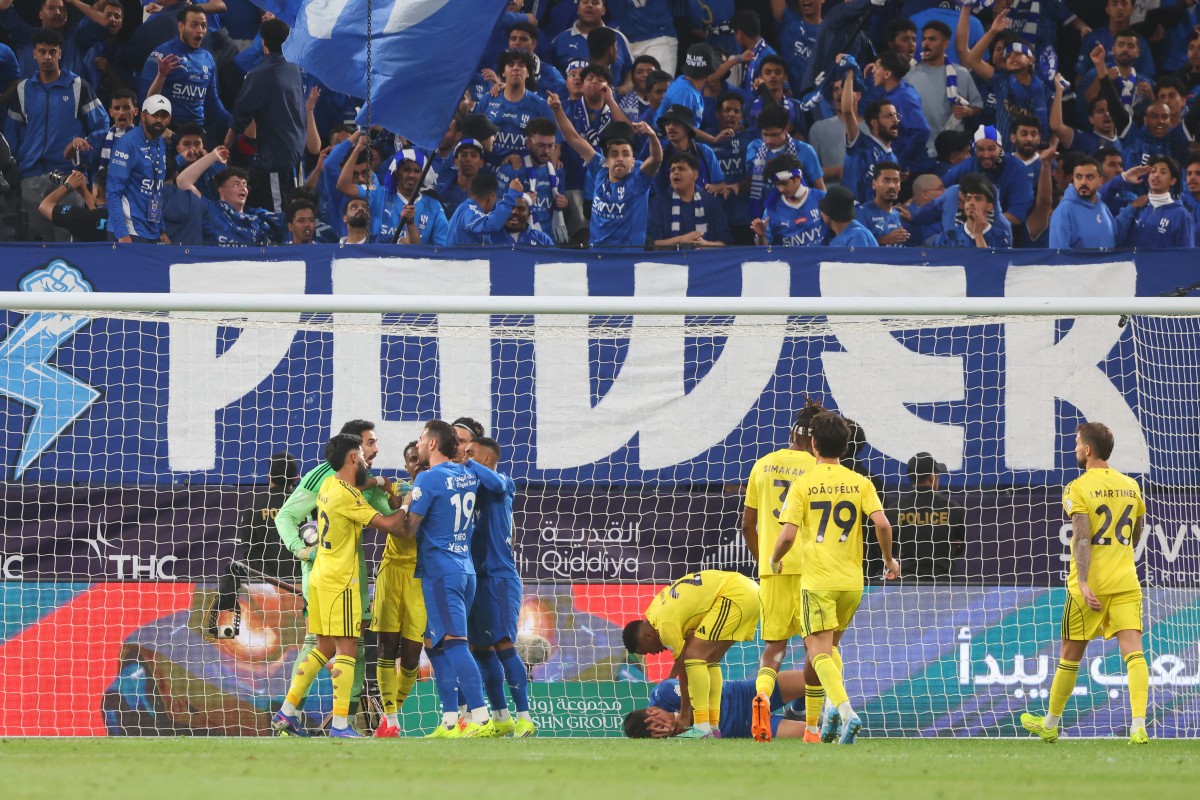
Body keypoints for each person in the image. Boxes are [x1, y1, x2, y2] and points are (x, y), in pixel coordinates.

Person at [770, 411, 898, 745]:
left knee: (817, 650)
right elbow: (882, 524)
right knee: (828, 650)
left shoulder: (804, 483)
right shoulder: (861, 482)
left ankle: (844, 712)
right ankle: (817, 726)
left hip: (818, 581)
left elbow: (786, 536)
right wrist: (888, 559)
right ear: (844, 446)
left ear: (813, 444)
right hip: (852, 583)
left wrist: (774, 559)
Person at [271, 433, 411, 738]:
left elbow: (362, 483)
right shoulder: (348, 497)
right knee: (348, 649)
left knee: (322, 646)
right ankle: (339, 725)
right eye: (362, 454)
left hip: (319, 576)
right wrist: (407, 502)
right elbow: (391, 526)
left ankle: (286, 711)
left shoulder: (329, 484)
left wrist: (382, 483)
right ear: (352, 458)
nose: (365, 460)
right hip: (341, 581)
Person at [1021, 422, 1150, 746]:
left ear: (1088, 450)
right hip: (1125, 582)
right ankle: (1138, 726)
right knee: (1134, 654)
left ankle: (1050, 724)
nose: (1075, 448)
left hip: (1088, 587)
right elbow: (1136, 531)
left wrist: (1085, 582)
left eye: (1077, 443)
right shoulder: (1131, 486)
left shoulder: (1078, 487)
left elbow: (1081, 537)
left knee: (1069, 654)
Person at [398, 419, 496, 739]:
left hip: (441, 572)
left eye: (422, 437)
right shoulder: (466, 474)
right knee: (436, 645)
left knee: (454, 645)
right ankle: (450, 721)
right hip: (464, 570)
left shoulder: (428, 477)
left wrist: (403, 502)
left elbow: (408, 529)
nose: (418, 442)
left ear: (432, 444)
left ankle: (482, 719)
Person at [743, 399, 823, 743]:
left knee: (774, 649)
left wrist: (765, 560)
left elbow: (747, 524)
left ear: (792, 432)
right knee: (816, 648)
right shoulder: (819, 468)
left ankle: (762, 699)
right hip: (811, 571)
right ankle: (811, 722)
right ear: (817, 437)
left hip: (772, 571)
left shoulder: (763, 465)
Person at [622, 570, 761, 738]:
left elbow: (685, 664)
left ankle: (702, 727)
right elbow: (683, 654)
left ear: (647, 636)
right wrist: (671, 676)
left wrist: (685, 714)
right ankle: (712, 726)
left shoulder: (665, 627)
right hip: (746, 591)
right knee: (709, 660)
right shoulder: (656, 612)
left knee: (694, 657)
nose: (654, 653)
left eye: (647, 651)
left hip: (735, 595)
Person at [6, 29, 109, 242]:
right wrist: (15, 167)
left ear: (60, 54)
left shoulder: (78, 86)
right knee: (35, 243)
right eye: (42, 52)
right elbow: (10, 135)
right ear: (34, 54)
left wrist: (84, 146)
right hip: (30, 177)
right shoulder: (23, 89)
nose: (47, 57)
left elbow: (103, 126)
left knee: (68, 243)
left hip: (68, 177)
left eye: (52, 52)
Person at [463, 436, 535, 737]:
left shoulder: (504, 483)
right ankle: (501, 716)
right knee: (480, 649)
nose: (465, 457)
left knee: (504, 644)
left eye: (471, 453)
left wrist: (463, 462)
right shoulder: (468, 490)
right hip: (475, 577)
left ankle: (525, 717)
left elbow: (493, 484)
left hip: (499, 577)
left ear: (488, 460)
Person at [549, 97, 662, 248]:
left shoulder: (638, 176)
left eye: (625, 154)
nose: (620, 159)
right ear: (607, 160)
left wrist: (652, 135)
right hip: (598, 256)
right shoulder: (600, 168)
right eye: (614, 154)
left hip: (628, 258)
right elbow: (573, 138)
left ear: (633, 160)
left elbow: (655, 159)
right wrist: (557, 109)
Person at [224, 17, 306, 214]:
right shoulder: (295, 69)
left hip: (277, 160)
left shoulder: (260, 74)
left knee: (281, 217)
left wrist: (224, 147)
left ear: (263, 41)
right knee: (293, 210)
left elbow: (240, 116)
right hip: (296, 156)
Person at [624, 669, 812, 740]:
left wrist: (681, 717)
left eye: (658, 722)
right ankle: (798, 720)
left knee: (813, 679)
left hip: (745, 693)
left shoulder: (663, 692)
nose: (665, 727)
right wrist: (676, 732)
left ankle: (796, 711)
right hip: (748, 726)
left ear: (651, 710)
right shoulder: (672, 741)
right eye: (659, 731)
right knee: (810, 733)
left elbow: (700, 693)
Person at [139, 6, 230, 132]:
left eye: (203, 26)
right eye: (194, 25)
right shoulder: (162, 53)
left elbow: (213, 102)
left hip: (197, 130)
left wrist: (235, 124)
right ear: (181, 26)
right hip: (169, 129)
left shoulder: (207, 58)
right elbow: (145, 97)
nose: (200, 31)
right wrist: (162, 130)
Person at [905, 20, 983, 161]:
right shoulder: (909, 74)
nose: (925, 44)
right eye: (924, 39)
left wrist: (968, 111)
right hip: (919, 151)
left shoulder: (962, 74)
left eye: (932, 39)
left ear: (945, 43)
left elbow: (978, 105)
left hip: (952, 152)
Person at [178, 147, 282, 245]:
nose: (243, 188)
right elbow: (183, 181)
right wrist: (212, 156)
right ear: (221, 190)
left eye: (244, 185)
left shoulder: (257, 220)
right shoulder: (210, 210)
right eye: (236, 184)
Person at [887, 452, 965, 583]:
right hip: (944, 581)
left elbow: (890, 547)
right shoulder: (953, 508)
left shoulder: (895, 509)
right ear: (931, 477)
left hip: (907, 581)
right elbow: (959, 547)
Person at [107, 94, 171, 243]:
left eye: (164, 116)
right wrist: (121, 233)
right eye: (154, 115)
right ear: (143, 116)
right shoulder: (126, 144)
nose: (159, 120)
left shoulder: (160, 142)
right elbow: (113, 192)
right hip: (128, 230)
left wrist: (161, 229)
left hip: (151, 230)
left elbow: (156, 190)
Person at [497, 118, 567, 243]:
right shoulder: (512, 169)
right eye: (541, 145)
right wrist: (520, 200)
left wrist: (564, 202)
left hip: (548, 239)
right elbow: (495, 205)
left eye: (550, 146)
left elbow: (559, 202)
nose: (546, 151)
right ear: (528, 143)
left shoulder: (558, 171)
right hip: (516, 240)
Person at [479, 49, 555, 161]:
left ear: (528, 72)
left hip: (523, 171)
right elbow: (475, 135)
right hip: (488, 169)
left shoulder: (540, 105)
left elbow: (553, 143)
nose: (515, 68)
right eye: (510, 64)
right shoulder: (487, 99)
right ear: (503, 72)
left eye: (521, 65)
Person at [840, 65, 898, 204]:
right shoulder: (860, 143)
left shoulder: (893, 158)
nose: (895, 120)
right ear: (875, 123)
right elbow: (847, 111)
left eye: (896, 115)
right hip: (854, 219)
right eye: (889, 116)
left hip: (878, 221)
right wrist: (850, 73)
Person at [646, 151, 730, 248]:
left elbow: (725, 243)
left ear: (695, 175)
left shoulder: (710, 202)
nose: (675, 173)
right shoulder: (658, 202)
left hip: (706, 260)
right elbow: (652, 244)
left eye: (681, 169)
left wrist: (705, 245)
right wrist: (682, 240)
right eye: (672, 170)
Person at [240, 451, 299, 582]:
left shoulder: (253, 507)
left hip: (266, 588)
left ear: (269, 477)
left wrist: (270, 580)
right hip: (302, 583)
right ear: (296, 478)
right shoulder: (307, 506)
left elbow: (250, 552)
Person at [1114, 155, 1194, 248]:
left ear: (1172, 181)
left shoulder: (1180, 214)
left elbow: (1186, 254)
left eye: (1163, 172)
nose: (1156, 175)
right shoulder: (1134, 207)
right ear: (1148, 178)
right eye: (1153, 171)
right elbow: (1116, 237)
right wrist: (1130, 208)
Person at [750, 153, 827, 247]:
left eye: (784, 183)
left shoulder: (822, 198)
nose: (780, 189)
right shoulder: (771, 211)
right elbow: (764, 250)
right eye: (777, 184)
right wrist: (761, 236)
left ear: (798, 178)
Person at [1048, 157, 1118, 250]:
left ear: (1100, 181)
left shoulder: (1103, 207)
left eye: (1089, 177)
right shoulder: (1064, 211)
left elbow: (1115, 238)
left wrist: (1131, 209)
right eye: (1079, 177)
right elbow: (1058, 256)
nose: (1083, 182)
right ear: (1073, 179)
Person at [931, 173, 1012, 248]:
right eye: (968, 199)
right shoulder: (947, 237)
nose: (971, 203)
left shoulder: (1001, 237)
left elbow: (988, 262)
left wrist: (978, 234)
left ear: (989, 206)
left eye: (978, 199)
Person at [446, 172, 524, 246]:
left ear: (469, 193)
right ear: (491, 197)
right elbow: (491, 224)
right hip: (460, 259)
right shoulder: (468, 211)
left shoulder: (464, 209)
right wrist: (512, 195)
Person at [37, 169, 107, 241]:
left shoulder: (81, 216)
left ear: (97, 192)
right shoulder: (116, 216)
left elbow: (44, 206)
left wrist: (68, 186)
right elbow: (98, 216)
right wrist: (84, 192)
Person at [855, 160, 910, 246]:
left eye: (896, 181)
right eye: (886, 180)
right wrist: (882, 240)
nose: (891, 186)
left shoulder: (900, 215)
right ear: (874, 184)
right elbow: (857, 250)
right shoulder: (863, 213)